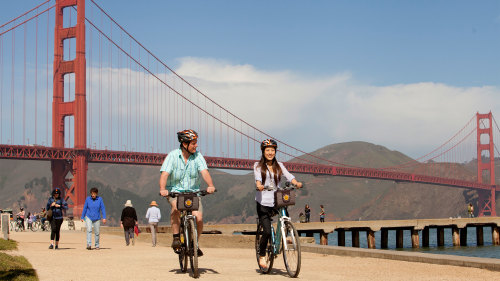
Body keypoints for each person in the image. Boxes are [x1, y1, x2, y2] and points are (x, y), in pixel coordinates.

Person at [159, 129, 216, 257]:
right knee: (176, 208)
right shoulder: (173, 156)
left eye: (196, 143)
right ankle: (176, 237)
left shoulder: (198, 156)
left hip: (193, 193)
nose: (196, 145)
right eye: (193, 143)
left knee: (199, 218)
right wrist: (163, 188)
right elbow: (164, 174)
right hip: (175, 192)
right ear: (185, 144)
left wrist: (210, 185)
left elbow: (204, 172)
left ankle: (194, 243)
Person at [254, 139, 303, 269]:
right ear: (263, 152)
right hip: (263, 202)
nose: (270, 153)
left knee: (285, 216)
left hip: (276, 200)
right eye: (267, 150)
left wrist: (296, 182)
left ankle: (285, 235)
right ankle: (262, 255)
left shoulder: (279, 165)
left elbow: (288, 175)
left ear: (275, 151)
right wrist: (259, 185)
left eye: (272, 150)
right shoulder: (257, 166)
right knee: (267, 232)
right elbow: (258, 178)